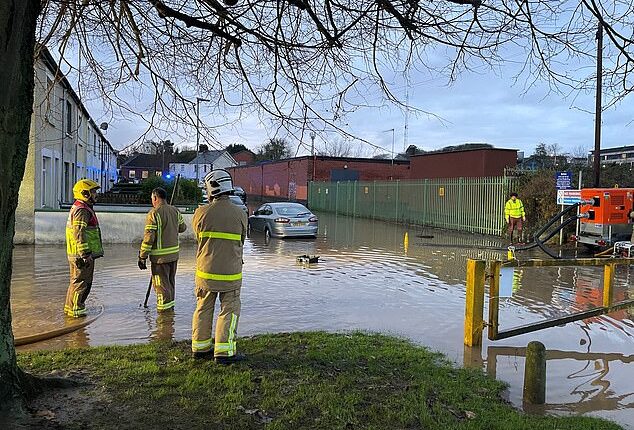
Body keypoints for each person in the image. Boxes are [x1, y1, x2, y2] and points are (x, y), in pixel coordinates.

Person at [191, 169, 248, 364]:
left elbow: (198, 238)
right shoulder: (240, 213)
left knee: (203, 309)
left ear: (210, 190)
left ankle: (200, 348)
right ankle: (224, 353)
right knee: (229, 310)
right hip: (230, 274)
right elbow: (242, 240)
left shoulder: (200, 213)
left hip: (205, 273)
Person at [138, 187, 186, 312]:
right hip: (174, 256)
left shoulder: (153, 213)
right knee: (170, 284)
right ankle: (171, 312)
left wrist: (142, 256)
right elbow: (183, 228)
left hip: (160, 259)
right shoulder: (175, 210)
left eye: (152, 199)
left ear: (155, 197)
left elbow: (149, 237)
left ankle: (163, 319)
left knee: (161, 287)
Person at [64, 179, 103, 317]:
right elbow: (79, 233)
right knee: (81, 283)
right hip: (82, 255)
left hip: (78, 253)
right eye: (93, 191)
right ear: (85, 193)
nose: (96, 194)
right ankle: (76, 312)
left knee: (76, 281)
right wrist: (85, 254)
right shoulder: (82, 210)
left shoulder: (81, 207)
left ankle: (71, 308)